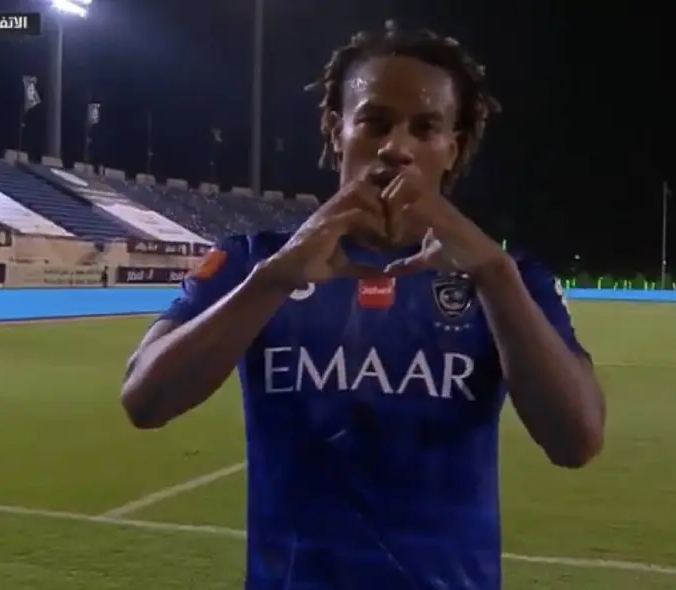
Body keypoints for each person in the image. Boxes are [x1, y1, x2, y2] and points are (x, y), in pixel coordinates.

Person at [121, 22, 605, 589]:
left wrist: (494, 275)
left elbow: (577, 441)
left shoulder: (509, 278)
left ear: (451, 147)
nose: (396, 147)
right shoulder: (252, 260)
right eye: (374, 121)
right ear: (336, 130)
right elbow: (144, 399)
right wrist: (271, 281)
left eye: (425, 129)